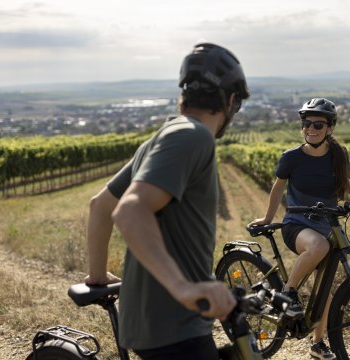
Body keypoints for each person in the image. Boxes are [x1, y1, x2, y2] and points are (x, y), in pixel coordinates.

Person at [84, 43, 250, 360]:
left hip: (157, 325)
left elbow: (100, 206)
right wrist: (182, 287)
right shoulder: (195, 136)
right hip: (174, 325)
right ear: (230, 101)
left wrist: (97, 276)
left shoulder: (164, 135)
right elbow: (130, 210)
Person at [248, 98, 350, 360]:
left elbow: (344, 180)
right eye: (306, 123)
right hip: (297, 224)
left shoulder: (338, 153)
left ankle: (317, 344)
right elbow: (278, 187)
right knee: (319, 246)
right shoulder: (291, 157)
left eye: (318, 124)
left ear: (330, 128)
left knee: (324, 288)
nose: (311, 128)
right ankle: (287, 293)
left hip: (326, 223)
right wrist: (268, 217)